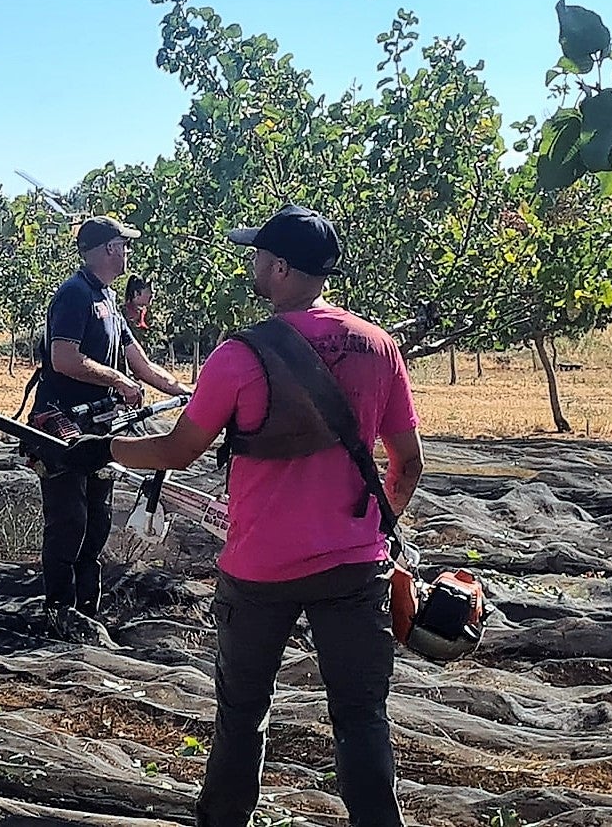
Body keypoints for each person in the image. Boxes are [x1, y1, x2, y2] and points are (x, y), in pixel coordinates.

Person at [102, 205, 423, 827]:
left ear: (279, 268)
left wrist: (104, 448)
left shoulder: (239, 354)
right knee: (360, 718)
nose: (251, 262)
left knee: (242, 714)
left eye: (257, 255)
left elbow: (178, 449)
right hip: (354, 568)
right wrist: (375, 530)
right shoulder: (378, 345)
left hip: (259, 568)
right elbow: (406, 464)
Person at [30, 216, 192, 643]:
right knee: (70, 521)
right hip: (63, 425)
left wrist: (185, 390)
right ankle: (57, 611)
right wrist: (116, 381)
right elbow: (63, 358)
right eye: (124, 244)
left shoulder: (108, 301)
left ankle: (87, 610)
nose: (128, 252)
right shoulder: (73, 295)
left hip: (100, 428)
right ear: (106, 249)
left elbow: (138, 362)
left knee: (99, 519)